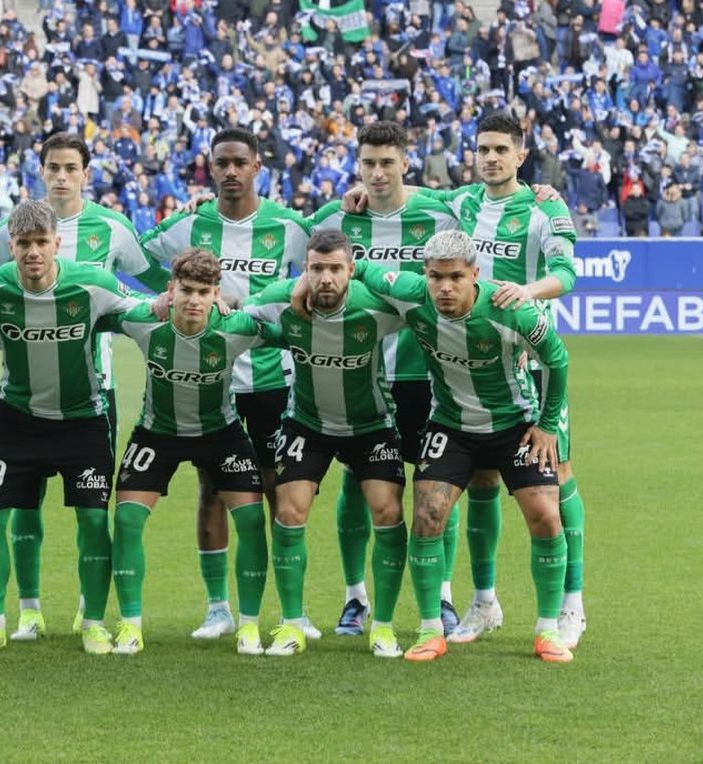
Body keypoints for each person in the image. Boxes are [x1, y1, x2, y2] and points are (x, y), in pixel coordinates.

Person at [343, 112, 586, 650]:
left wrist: (529, 293)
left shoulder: (545, 205)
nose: (491, 158)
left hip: (528, 357)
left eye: (502, 149)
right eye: (483, 149)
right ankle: (484, 600)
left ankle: (571, 605)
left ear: (521, 155)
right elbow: (398, 197)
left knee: (558, 477)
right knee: (479, 483)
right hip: (463, 361)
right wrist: (361, 192)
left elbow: (568, 274)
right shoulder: (460, 203)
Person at [0, 133, 170, 640]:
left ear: (86, 172)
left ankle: (90, 613)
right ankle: (26, 611)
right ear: (41, 171)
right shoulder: (8, 242)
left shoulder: (112, 232)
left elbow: (152, 287)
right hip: (20, 401)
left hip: (92, 392)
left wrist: (201, 291)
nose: (61, 175)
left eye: (70, 167)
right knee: (20, 508)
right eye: (52, 167)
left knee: (91, 515)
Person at [353, 229, 573, 663]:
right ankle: (431, 630)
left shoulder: (511, 310)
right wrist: (306, 281)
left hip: (515, 426)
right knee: (427, 516)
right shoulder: (411, 293)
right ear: (425, 274)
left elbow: (558, 358)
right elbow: (357, 267)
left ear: (475, 273)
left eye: (456, 276)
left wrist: (548, 425)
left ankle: (548, 631)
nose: (445, 287)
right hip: (450, 425)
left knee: (547, 517)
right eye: (436, 277)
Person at [140, 127, 312, 640]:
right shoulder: (193, 223)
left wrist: (279, 308)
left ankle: (290, 611)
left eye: (240, 162)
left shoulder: (288, 224)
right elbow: (139, 257)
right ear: (210, 168)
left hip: (270, 379)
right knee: (211, 489)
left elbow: (331, 260)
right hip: (211, 379)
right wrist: (174, 299)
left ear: (258, 166)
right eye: (222, 163)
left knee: (276, 488)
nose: (231, 171)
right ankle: (218, 608)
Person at [0, 200, 140, 656]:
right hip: (16, 420)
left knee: (95, 520)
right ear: (10, 248)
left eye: (41, 242)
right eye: (23, 244)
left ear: (57, 244)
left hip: (84, 420)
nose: (33, 252)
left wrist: (194, 299)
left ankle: (93, 622)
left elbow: (146, 309)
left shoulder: (92, 283)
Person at [309, 121, 462, 638]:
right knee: (356, 483)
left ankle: (440, 592)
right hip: (359, 374)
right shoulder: (336, 220)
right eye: (368, 163)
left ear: (405, 163)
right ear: (357, 165)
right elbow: (294, 247)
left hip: (428, 374)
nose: (377, 173)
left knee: (437, 485)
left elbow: (491, 198)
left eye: (387, 163)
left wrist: (539, 190)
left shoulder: (438, 213)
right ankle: (356, 598)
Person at [101, 249, 275, 655]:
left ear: (217, 295)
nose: (194, 300)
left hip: (221, 431)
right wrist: (141, 301)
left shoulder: (237, 327)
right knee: (126, 519)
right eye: (186, 290)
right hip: (156, 432)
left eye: (203, 292)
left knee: (251, 519)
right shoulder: (144, 321)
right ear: (171, 290)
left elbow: (286, 325)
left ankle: (248, 625)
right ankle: (130, 625)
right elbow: (99, 303)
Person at [245, 229, 410, 658]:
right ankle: (291, 623)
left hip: (370, 424)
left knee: (389, 512)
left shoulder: (376, 306)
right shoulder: (282, 298)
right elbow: (232, 312)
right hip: (307, 423)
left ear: (351, 272)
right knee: (287, 511)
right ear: (305, 270)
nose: (326, 279)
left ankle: (384, 627)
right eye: (316, 269)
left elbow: (433, 310)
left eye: (335, 269)